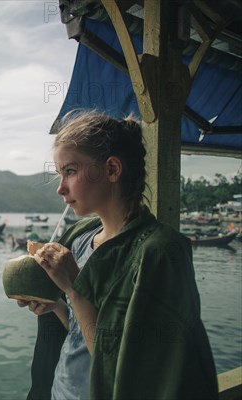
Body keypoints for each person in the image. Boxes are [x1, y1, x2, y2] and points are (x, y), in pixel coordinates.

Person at [20, 110, 218, 400]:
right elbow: (83, 334)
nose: (61, 188)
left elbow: (132, 369)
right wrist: (56, 307)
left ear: (112, 169)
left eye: (70, 172)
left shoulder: (159, 253)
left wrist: (73, 287)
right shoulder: (80, 239)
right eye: (59, 174)